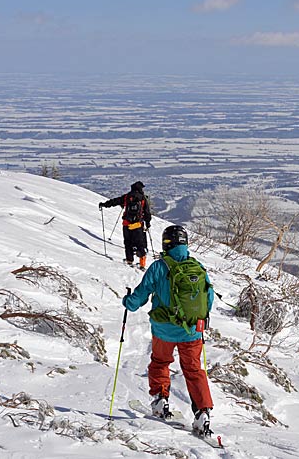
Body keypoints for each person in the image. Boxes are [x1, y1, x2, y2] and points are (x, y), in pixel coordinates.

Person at [122, 225, 215, 435]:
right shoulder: (198, 267)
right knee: (193, 370)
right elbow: (208, 299)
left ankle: (160, 400)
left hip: (164, 330)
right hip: (192, 331)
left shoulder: (158, 267)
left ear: (167, 243)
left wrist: (128, 302)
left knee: (160, 362)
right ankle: (203, 412)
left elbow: (139, 297)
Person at [99, 181, 151, 269]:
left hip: (126, 224)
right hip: (138, 224)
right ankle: (142, 264)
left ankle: (129, 260)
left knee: (128, 242)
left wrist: (104, 204)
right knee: (140, 243)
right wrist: (148, 223)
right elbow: (147, 212)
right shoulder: (142, 198)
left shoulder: (127, 196)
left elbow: (115, 201)